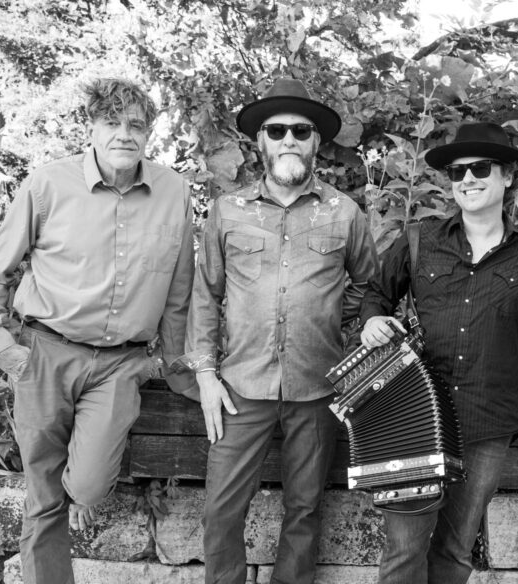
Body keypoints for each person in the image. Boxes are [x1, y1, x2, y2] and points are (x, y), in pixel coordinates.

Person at [0, 78, 197, 584]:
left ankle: (81, 493)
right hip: (46, 353)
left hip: (121, 364)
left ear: (149, 132)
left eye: (135, 124)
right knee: (43, 496)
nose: (124, 134)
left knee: (89, 485)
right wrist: (3, 349)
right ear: (91, 127)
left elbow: (179, 293)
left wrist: (177, 368)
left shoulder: (174, 191)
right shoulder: (47, 184)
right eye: (111, 122)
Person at [182, 77, 378, 584]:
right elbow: (205, 295)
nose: (289, 139)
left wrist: (332, 316)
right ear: (260, 141)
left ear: (317, 142)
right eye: (276, 130)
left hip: (316, 386)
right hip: (240, 388)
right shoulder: (227, 211)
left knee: (305, 509)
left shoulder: (345, 213)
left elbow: (369, 285)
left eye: (301, 131)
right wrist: (205, 374)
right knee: (221, 508)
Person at [359, 122, 518, 584]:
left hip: (488, 421)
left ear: (508, 176)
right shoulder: (420, 238)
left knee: (456, 549)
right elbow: (374, 295)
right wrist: (371, 321)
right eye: (457, 172)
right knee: (404, 549)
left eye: (480, 168)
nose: (467, 179)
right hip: (416, 419)